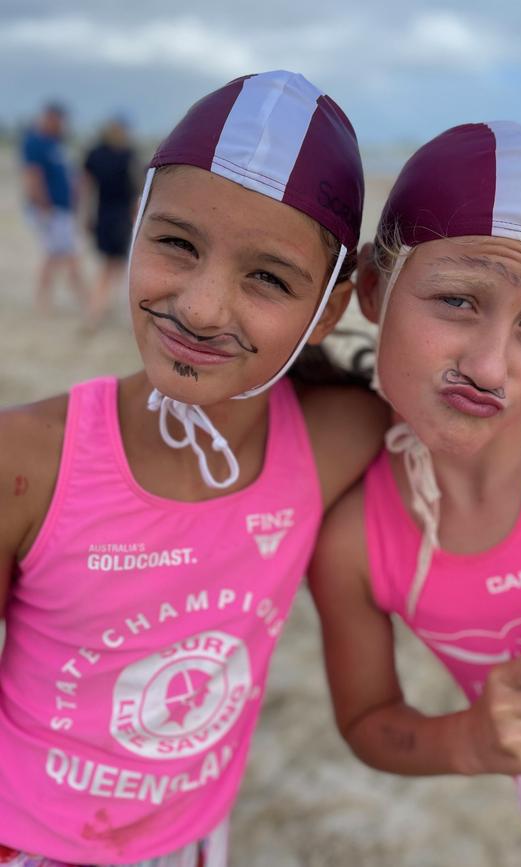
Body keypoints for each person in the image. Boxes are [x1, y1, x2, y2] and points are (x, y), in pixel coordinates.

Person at [0, 69, 387, 866]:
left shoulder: (337, 434)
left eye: (269, 278)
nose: (203, 308)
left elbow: (490, 398)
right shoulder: (27, 461)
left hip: (198, 837)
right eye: (177, 242)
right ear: (135, 227)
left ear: (330, 310)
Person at [309, 121, 521, 867]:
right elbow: (369, 719)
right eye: (459, 301)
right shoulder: (352, 541)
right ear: (372, 286)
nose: (492, 367)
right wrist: (466, 739)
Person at [20, 102, 85, 312]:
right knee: (67, 253)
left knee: (56, 254)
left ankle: (48, 299)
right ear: (48, 118)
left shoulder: (56, 142)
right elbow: (33, 175)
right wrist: (43, 206)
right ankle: (80, 298)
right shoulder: (35, 142)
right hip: (51, 209)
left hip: (62, 208)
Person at [83, 116, 139, 329]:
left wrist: (86, 215)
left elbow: (87, 188)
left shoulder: (96, 154)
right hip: (117, 217)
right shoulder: (125, 155)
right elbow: (135, 188)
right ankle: (96, 312)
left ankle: (99, 310)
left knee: (111, 267)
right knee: (113, 267)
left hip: (105, 215)